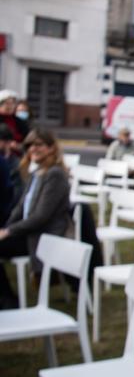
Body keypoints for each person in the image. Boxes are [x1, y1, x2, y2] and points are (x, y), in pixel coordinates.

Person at [0, 129, 71, 309]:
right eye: (29, 145)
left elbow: (41, 217)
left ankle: (8, 300)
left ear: (51, 148)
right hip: (28, 233)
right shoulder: (37, 172)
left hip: (42, 238)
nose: (33, 149)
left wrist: (8, 231)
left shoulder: (55, 174)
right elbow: (20, 208)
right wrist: (6, 228)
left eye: (38, 144)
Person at [0, 90, 28, 154]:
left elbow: (27, 138)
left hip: (16, 154)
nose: (11, 106)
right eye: (7, 103)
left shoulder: (19, 121)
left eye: (13, 103)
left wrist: (19, 146)